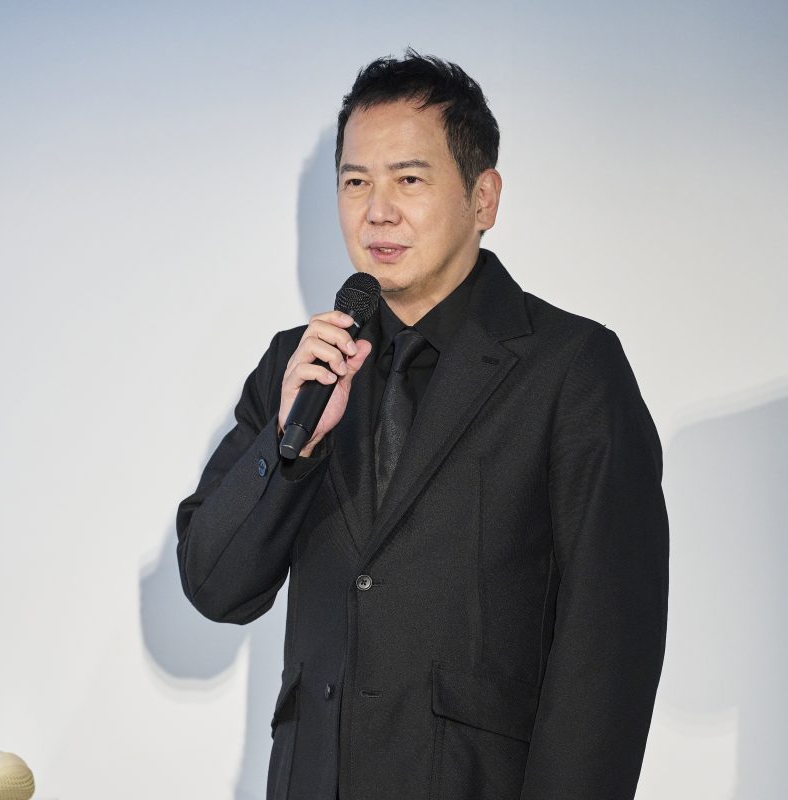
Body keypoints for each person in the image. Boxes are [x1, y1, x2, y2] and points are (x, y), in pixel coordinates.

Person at [177, 50, 668, 800]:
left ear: (483, 197)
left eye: (408, 179)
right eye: (355, 183)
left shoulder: (572, 369)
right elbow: (215, 587)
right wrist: (291, 450)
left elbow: (610, 649)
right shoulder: (300, 365)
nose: (377, 212)